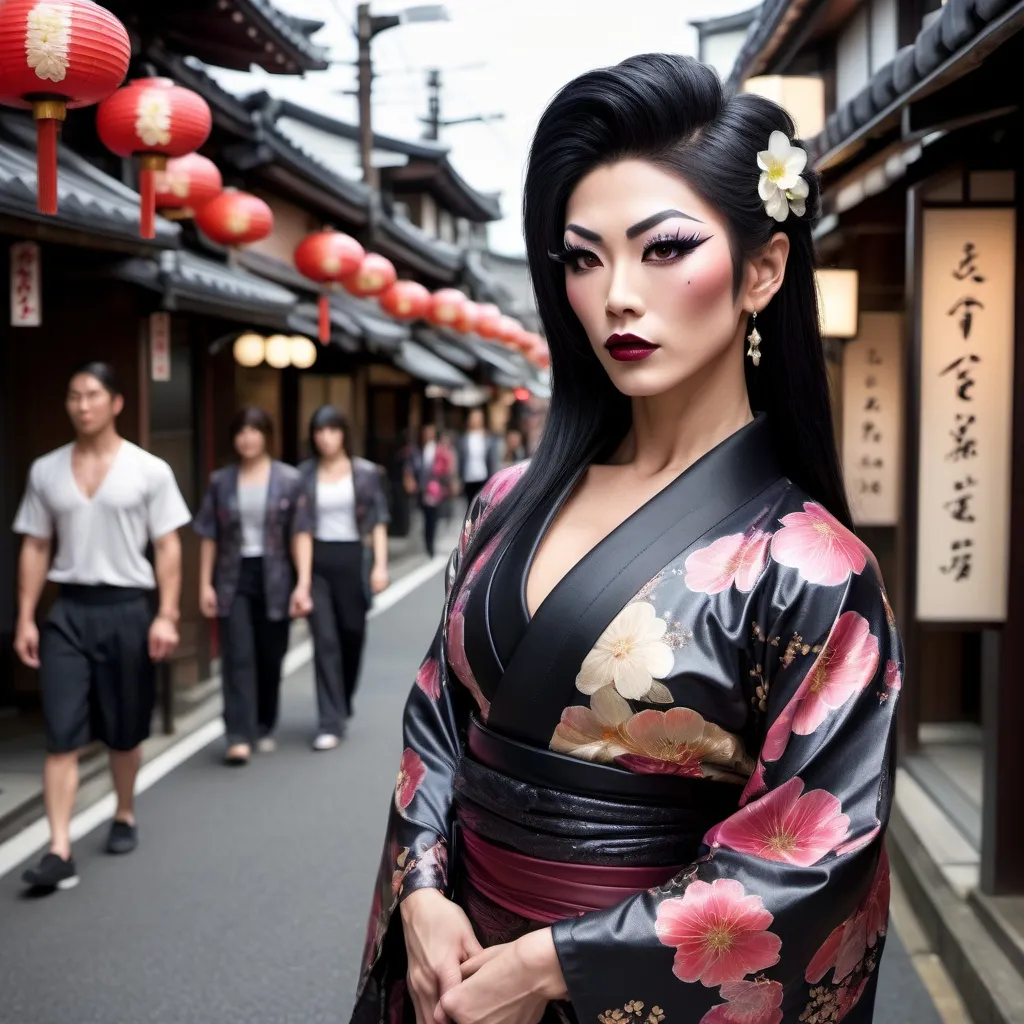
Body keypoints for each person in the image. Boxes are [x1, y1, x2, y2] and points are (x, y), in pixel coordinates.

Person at [353, 54, 902, 1024]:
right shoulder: (508, 502)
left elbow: (808, 855)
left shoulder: (813, 570)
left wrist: (553, 965)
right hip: (456, 972)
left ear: (763, 268)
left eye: (663, 248)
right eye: (582, 256)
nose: (615, 295)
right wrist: (424, 890)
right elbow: (437, 716)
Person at [13, 362, 191, 892]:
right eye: (73, 395)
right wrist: (26, 616)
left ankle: (124, 811)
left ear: (115, 403)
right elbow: (36, 544)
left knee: (124, 725)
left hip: (128, 608)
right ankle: (59, 847)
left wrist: (166, 613)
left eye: (92, 395)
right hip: (68, 611)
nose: (82, 404)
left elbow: (167, 545)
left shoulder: (148, 470)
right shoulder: (46, 470)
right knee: (61, 730)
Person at [194, 408, 313, 766]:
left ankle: (263, 721)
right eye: (241, 430)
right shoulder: (221, 482)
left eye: (255, 430)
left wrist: (303, 583)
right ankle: (238, 733)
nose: (247, 437)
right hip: (233, 576)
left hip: (275, 575)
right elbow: (208, 536)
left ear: (266, 435)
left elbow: (300, 533)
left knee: (270, 655)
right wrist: (204, 584)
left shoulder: (289, 480)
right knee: (237, 655)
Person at [299, 406, 390, 750]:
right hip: (317, 562)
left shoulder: (364, 473)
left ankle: (342, 699)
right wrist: (303, 578)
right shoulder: (304, 475)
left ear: (343, 434)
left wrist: (380, 565)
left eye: (332, 430)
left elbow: (379, 520)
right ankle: (329, 721)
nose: (325, 437)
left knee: (352, 635)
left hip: (353, 560)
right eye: (319, 431)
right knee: (325, 641)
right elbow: (299, 528)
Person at [403, 423, 454, 559]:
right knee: (425, 517)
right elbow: (410, 468)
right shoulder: (417, 450)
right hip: (421, 487)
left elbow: (446, 468)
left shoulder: (439, 450)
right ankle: (426, 543)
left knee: (433, 517)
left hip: (435, 489)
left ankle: (430, 545)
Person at [456, 409, 501, 507]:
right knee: (470, 507)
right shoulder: (464, 439)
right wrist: (458, 478)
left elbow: (493, 459)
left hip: (484, 477)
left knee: (483, 507)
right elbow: (460, 459)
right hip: (468, 478)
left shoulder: (488, 438)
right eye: (473, 418)